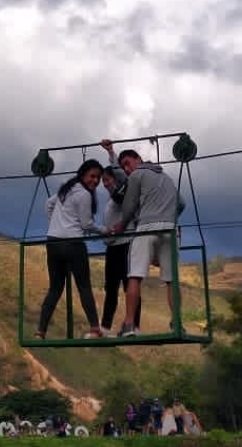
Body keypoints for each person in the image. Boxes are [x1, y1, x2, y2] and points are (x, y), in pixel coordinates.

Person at [109, 147, 186, 338]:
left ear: (139, 159)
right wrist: (171, 218)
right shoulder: (166, 178)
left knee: (134, 275)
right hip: (170, 229)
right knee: (171, 279)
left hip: (146, 227)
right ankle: (177, 323)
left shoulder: (137, 175)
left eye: (128, 163)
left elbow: (129, 204)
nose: (127, 169)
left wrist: (122, 224)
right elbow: (182, 203)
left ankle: (129, 325)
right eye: (123, 166)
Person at [36, 159, 106, 340]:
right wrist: (105, 230)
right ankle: (94, 328)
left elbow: (48, 204)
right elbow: (86, 224)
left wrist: (55, 223)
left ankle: (40, 331)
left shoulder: (65, 188)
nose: (95, 181)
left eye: (98, 177)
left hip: (53, 242)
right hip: (73, 243)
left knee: (55, 288)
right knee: (83, 286)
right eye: (93, 176)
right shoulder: (84, 195)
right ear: (83, 174)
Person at [98, 139, 142, 334]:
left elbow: (122, 177)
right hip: (113, 247)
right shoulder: (109, 204)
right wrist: (106, 237)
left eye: (108, 180)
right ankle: (105, 327)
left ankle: (134, 325)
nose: (106, 184)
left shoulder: (124, 195)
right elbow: (108, 228)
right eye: (103, 182)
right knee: (111, 288)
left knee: (129, 286)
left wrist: (111, 152)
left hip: (127, 245)